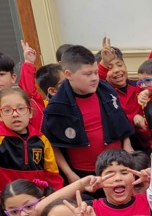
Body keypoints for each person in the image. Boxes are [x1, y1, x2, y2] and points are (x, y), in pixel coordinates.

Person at [41, 46, 134, 182]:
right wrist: (69, 174)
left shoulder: (107, 91)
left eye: (96, 73)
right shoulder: (57, 106)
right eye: (87, 74)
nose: (94, 78)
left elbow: (121, 123)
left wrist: (127, 147)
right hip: (83, 174)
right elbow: (53, 144)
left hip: (118, 168)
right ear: (68, 75)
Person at [0, 87, 63, 190]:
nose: (15, 114)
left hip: (36, 201)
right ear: (0, 116)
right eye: (7, 110)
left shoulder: (42, 140)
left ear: (30, 112)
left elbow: (52, 175)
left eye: (21, 109)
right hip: (7, 201)